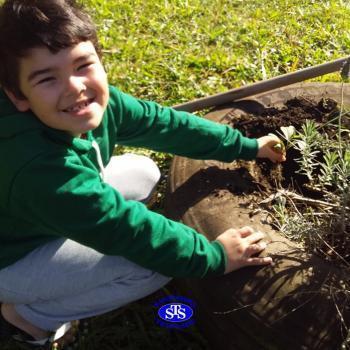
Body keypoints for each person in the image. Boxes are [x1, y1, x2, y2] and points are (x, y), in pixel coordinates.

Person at [0, 0, 285, 348]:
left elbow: (162, 124)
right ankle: (27, 320)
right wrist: (214, 257)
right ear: (17, 96)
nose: (74, 87)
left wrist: (245, 146)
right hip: (11, 258)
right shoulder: (42, 171)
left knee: (143, 171)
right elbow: (125, 229)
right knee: (152, 265)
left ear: (100, 60)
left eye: (83, 65)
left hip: (32, 220)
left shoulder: (84, 104)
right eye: (47, 78)